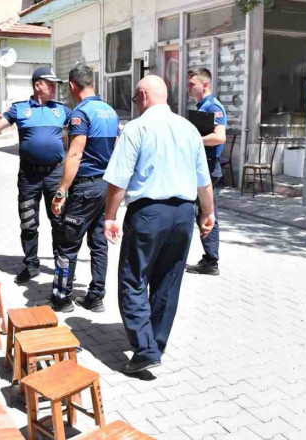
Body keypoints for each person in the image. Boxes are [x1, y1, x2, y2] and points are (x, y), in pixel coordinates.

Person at [102, 75, 215, 374]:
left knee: (133, 278)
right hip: (182, 214)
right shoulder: (189, 129)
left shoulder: (136, 128)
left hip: (149, 213)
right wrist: (208, 213)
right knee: (168, 279)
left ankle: (145, 348)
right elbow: (203, 180)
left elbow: (119, 180)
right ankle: (157, 343)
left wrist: (110, 216)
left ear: (142, 96)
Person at [0, 67, 71, 285]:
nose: (54, 88)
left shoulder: (61, 110)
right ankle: (31, 265)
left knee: (59, 221)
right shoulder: (20, 109)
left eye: (55, 84)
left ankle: (61, 265)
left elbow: (81, 128)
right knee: (28, 222)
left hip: (55, 175)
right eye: (49, 84)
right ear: (37, 85)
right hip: (29, 176)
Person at [50, 63, 119, 313]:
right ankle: (96, 297)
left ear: (71, 86)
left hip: (85, 187)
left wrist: (61, 191)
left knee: (67, 243)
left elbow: (75, 154)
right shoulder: (110, 112)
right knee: (98, 243)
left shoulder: (81, 113)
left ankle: (62, 297)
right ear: (93, 83)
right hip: (106, 187)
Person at [185, 69, 227, 276]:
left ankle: (211, 261)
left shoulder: (213, 106)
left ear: (205, 85)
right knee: (201, 212)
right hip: (201, 165)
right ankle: (209, 259)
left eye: (192, 84)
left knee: (206, 212)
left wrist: (194, 140)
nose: (188, 87)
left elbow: (220, 137)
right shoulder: (202, 106)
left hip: (209, 167)